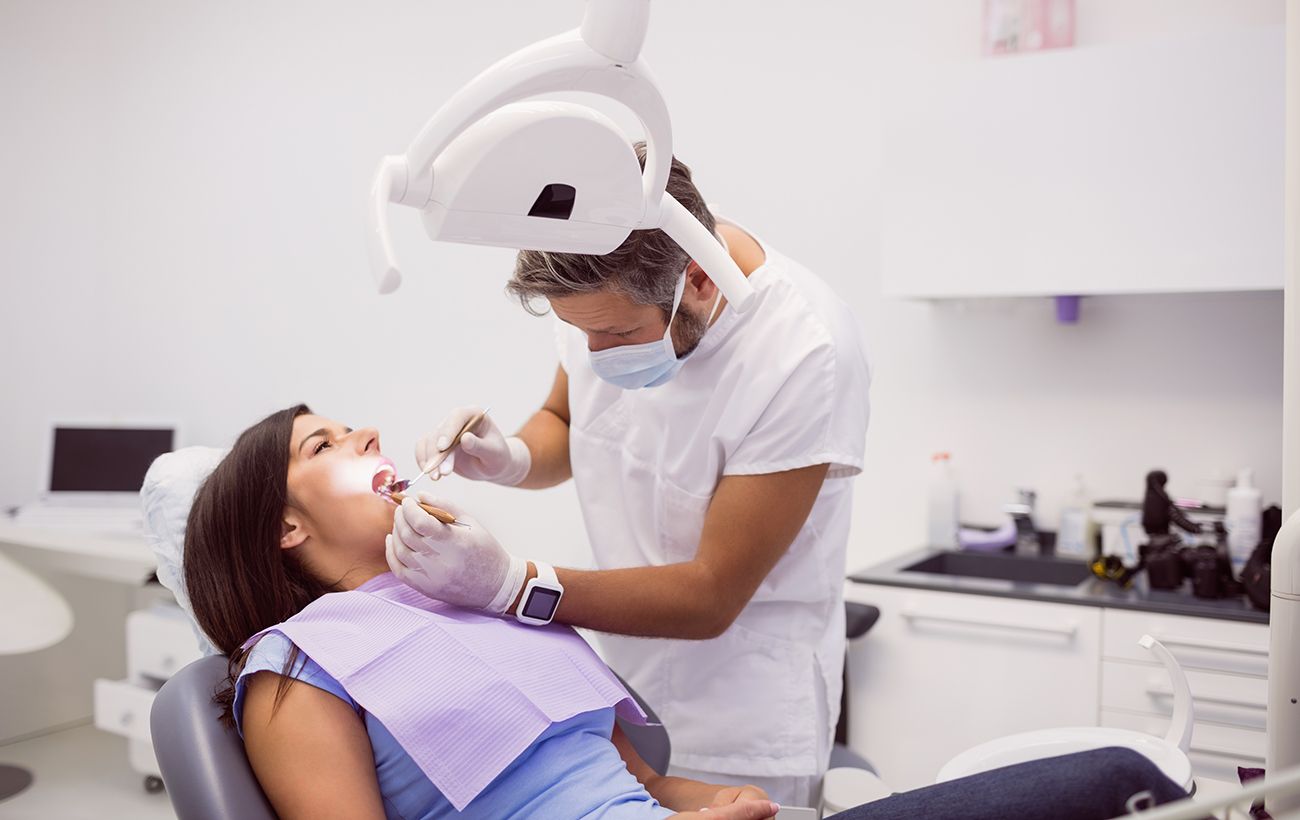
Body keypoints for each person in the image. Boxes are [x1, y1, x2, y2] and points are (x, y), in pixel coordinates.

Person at [175, 406, 1190, 820]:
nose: (362, 434)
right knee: (1116, 786)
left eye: (350, 426)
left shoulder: (470, 601)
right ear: (284, 529)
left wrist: (724, 803)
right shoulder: (295, 669)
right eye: (322, 446)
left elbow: (643, 782)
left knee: (1123, 778)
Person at [388, 143, 871, 804]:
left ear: (699, 280)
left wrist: (512, 585)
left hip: (745, 709)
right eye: (577, 331)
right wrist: (511, 457)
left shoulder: (803, 351)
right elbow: (567, 420)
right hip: (624, 689)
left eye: (616, 335)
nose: (595, 354)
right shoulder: (606, 261)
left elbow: (710, 595)